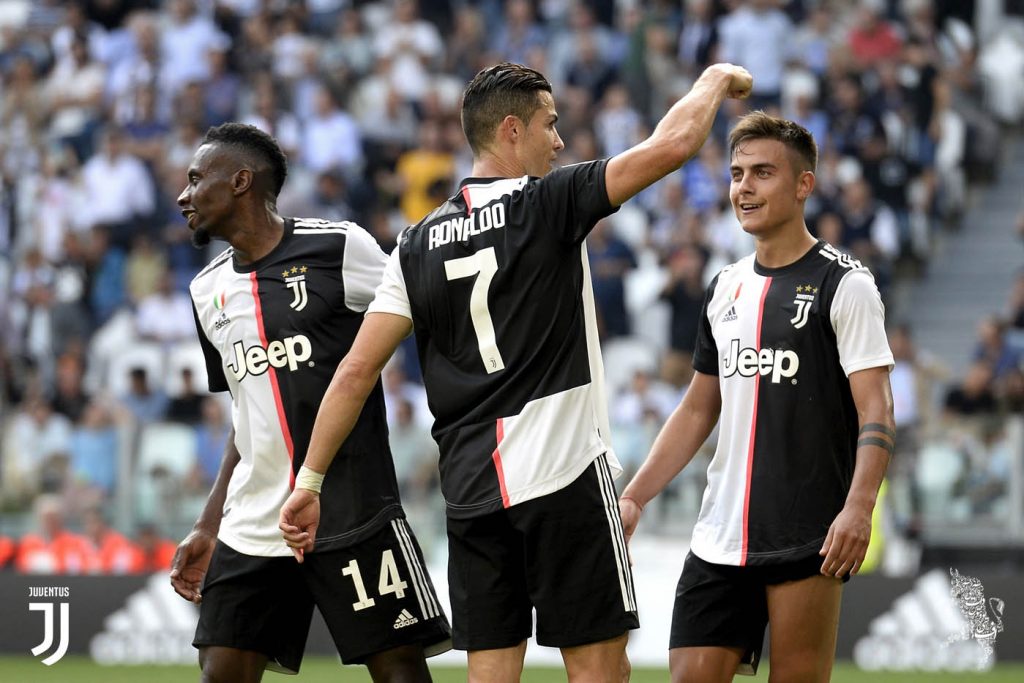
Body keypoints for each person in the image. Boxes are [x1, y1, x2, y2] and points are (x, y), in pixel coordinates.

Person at [280, 61, 753, 682]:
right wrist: (713, 80)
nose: (559, 142)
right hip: (565, 474)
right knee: (598, 670)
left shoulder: (415, 244)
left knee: (491, 675)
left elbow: (354, 372)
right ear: (510, 131)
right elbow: (672, 145)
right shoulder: (549, 201)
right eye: (550, 125)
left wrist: (308, 483)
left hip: (472, 490)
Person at [617, 111, 896, 682]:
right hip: (717, 533)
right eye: (738, 173)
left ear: (804, 185)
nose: (744, 187)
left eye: (763, 172)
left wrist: (859, 507)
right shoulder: (724, 286)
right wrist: (636, 496)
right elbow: (699, 407)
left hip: (806, 533)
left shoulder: (846, 284)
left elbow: (878, 409)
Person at [168, 122, 450, 682]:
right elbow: (247, 418)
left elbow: (428, 315)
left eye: (197, 180)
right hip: (252, 520)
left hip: (352, 506)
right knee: (221, 672)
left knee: (400, 673)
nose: (184, 196)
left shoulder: (341, 246)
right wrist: (208, 523)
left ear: (241, 181)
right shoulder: (207, 291)